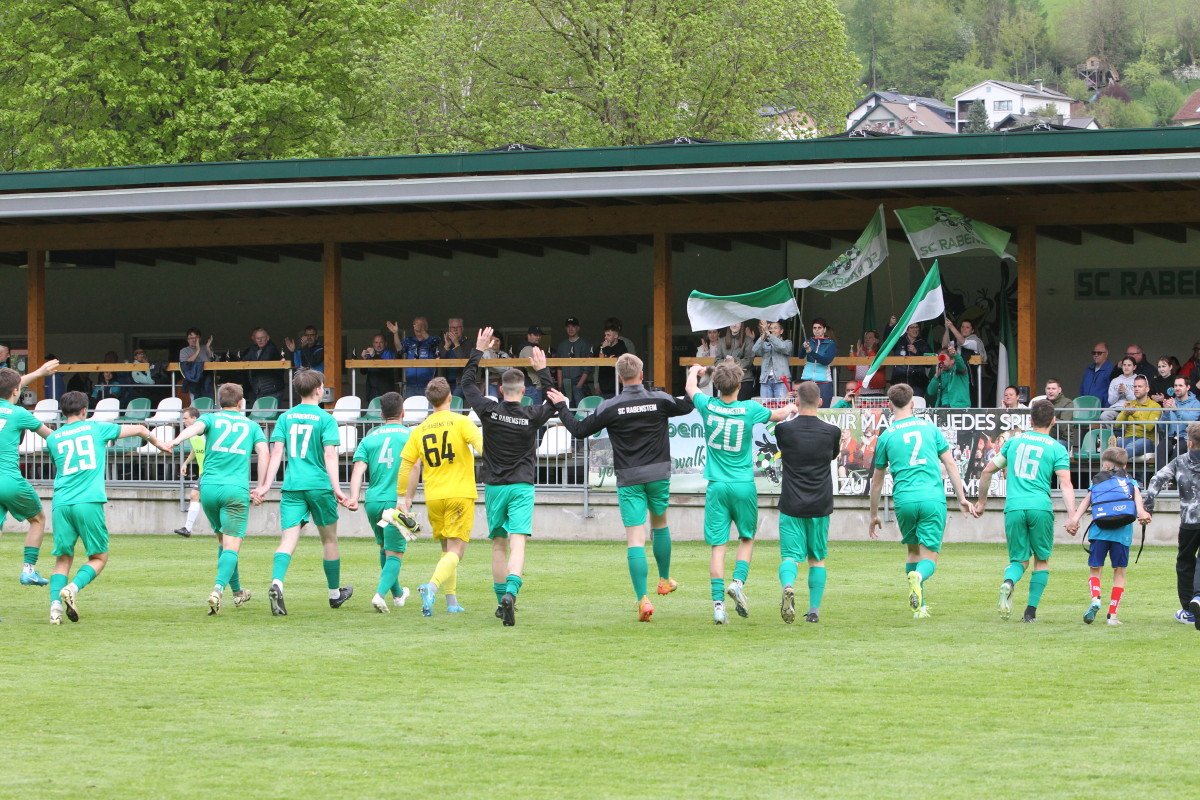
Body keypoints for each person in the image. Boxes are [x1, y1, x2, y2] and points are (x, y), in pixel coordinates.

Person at [549, 353, 694, 622]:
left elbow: (579, 430)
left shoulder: (610, 406)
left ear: (619, 378)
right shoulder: (659, 399)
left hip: (629, 477)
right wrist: (694, 378)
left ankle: (643, 599)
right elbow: (688, 405)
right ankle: (663, 579)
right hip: (658, 473)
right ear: (641, 374)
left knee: (635, 538)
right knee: (660, 523)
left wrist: (561, 407)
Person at [462, 327, 559, 626]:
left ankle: (499, 598)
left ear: (501, 390)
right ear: (522, 391)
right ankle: (512, 594)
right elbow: (553, 399)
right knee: (518, 542)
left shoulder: (489, 410)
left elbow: (466, 385)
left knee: (497, 544)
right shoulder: (531, 415)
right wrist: (542, 371)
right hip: (521, 486)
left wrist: (478, 351)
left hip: (494, 487)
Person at [684, 362, 795, 624]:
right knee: (747, 538)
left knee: (718, 547)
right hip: (743, 484)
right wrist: (791, 406)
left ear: (717, 385)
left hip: (716, 485)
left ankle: (718, 606)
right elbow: (779, 416)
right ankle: (737, 582)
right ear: (739, 385)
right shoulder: (749, 409)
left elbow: (690, 388)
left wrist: (695, 370)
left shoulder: (708, 406)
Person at [47, 391, 169, 623]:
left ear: (63, 412)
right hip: (88, 500)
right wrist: (159, 444)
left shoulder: (53, 438)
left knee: (63, 558)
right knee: (99, 557)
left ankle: (54, 610)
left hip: (61, 502)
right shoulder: (96, 428)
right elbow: (141, 429)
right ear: (85, 411)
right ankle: (72, 588)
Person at [868, 383, 974, 619]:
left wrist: (873, 514)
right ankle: (919, 577)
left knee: (913, 552)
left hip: (904, 500)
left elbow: (876, 481)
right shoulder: (929, 428)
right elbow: (950, 464)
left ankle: (919, 607)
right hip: (931, 498)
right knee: (930, 556)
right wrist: (962, 497)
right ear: (913, 403)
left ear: (889, 405)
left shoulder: (885, 437)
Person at [252, 369, 352, 616]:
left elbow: (277, 453)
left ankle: (277, 582)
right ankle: (334, 594)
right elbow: (330, 455)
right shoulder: (326, 419)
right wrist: (338, 488)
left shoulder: (286, 417)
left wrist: (265, 485)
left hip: (292, 486)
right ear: (319, 388)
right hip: (319, 485)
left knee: (288, 540)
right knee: (329, 539)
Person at [166, 384, 268, 615]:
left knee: (224, 542)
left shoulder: (211, 419)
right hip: (235, 490)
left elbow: (193, 428)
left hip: (209, 489)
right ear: (241, 403)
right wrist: (261, 487)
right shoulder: (252, 426)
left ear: (218, 402)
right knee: (232, 545)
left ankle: (238, 592)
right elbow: (263, 452)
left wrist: (175, 441)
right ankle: (217, 590)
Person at [974, 400, 1076, 623]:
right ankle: (1030, 612)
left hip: (1014, 507)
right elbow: (1066, 484)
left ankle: (1009, 582)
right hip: (1040, 507)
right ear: (1053, 421)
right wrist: (1072, 516)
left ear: (1030, 420)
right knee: (1041, 559)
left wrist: (981, 503)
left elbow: (987, 471)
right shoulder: (1056, 448)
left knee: (1019, 560)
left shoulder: (1014, 442)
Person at [397, 377, 484, 617]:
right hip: (459, 493)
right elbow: (482, 446)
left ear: (430, 401)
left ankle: (452, 601)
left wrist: (403, 497)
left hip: (434, 496)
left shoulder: (421, 429)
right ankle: (431, 586)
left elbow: (407, 465)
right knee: (457, 551)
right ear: (450, 398)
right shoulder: (461, 422)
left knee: (447, 549)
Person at [772, 380, 840, 624]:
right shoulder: (832, 432)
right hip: (820, 504)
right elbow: (833, 455)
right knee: (817, 559)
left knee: (790, 557)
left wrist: (788, 412)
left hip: (792, 502)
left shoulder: (784, 430)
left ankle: (789, 585)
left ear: (797, 401)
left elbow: (779, 437)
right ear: (820, 402)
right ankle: (813, 610)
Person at [1065, 447, 1151, 626]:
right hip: (1122, 535)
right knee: (1119, 572)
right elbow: (1139, 505)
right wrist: (1143, 514)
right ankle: (1112, 615)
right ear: (1125, 465)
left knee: (1095, 569)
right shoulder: (1131, 482)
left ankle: (1095, 598)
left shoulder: (1097, 482)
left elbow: (1087, 501)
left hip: (1099, 532)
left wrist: (1074, 520)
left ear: (1104, 464)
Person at [346, 391, 412, 613]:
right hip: (395, 500)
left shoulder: (370, 437)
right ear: (403, 412)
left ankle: (398, 593)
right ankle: (379, 595)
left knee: (385, 548)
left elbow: (358, 470)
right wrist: (407, 499)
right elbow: (416, 468)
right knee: (395, 553)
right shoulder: (409, 435)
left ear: (382, 413)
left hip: (373, 501)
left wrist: (354, 497)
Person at [0, 361, 59, 586]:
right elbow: (51, 436)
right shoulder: (19, 413)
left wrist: (38, 373)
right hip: (9, 481)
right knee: (37, 519)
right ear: (16, 391)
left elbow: (10, 385)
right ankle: (29, 570)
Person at [1141, 423, 1200, 628]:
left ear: (1189, 442)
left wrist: (1148, 506)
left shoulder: (1180, 461)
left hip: (1189, 521)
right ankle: (1199, 598)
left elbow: (1156, 480)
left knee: (1185, 562)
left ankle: (1188, 610)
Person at [389, 317, 439, 398]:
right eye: (416, 325)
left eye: (421, 325)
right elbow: (399, 349)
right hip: (410, 385)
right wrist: (395, 333)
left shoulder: (433, 340)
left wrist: (421, 331)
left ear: (426, 327)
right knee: (409, 409)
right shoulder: (409, 340)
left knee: (428, 409)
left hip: (428, 385)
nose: (418, 327)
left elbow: (434, 344)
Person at [174, 407, 205, 537]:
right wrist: (186, 463)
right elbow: (194, 450)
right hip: (205, 472)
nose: (183, 421)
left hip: (213, 471)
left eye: (186, 418)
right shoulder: (192, 433)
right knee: (195, 496)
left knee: (197, 496)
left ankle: (188, 528)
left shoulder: (206, 432)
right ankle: (187, 528)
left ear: (194, 418)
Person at [1114, 376, 1161, 459]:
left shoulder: (1155, 406)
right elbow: (1117, 425)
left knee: (1134, 445)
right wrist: (1125, 413)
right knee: (1117, 443)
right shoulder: (1129, 404)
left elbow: (1149, 427)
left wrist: (1134, 413)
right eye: (1135, 386)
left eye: (1140, 386)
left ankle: (1119, 460)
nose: (1136, 389)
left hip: (1146, 440)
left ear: (1147, 389)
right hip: (1128, 438)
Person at [1159, 376, 1200, 463]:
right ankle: (1160, 476)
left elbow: (1191, 421)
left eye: (1180, 385)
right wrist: (1166, 412)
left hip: (1186, 439)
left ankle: (1174, 476)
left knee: (1177, 452)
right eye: (1175, 386)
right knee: (1161, 448)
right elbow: (1162, 427)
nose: (1177, 388)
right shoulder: (1171, 402)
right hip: (1170, 438)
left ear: (1188, 387)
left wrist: (1176, 410)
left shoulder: (1195, 403)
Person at [244, 327, 287, 406]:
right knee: (260, 415)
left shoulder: (271, 348)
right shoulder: (253, 349)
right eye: (257, 338)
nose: (260, 340)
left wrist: (250, 362)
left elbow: (263, 361)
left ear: (267, 338)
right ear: (254, 339)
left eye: (262, 338)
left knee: (269, 415)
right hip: (259, 389)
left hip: (273, 389)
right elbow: (243, 361)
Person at [889, 320, 933, 398]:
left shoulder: (923, 343)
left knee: (916, 407)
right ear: (907, 330)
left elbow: (929, 363)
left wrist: (916, 352)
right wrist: (890, 326)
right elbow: (888, 341)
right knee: (900, 406)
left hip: (917, 384)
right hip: (900, 382)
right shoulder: (899, 341)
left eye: (917, 327)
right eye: (912, 327)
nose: (915, 329)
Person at [800, 317, 837, 408]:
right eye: (814, 328)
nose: (816, 330)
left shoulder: (831, 344)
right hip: (808, 380)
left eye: (819, 328)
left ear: (824, 329)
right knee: (806, 408)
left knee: (823, 409)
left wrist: (811, 352)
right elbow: (800, 356)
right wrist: (803, 347)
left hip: (824, 381)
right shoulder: (809, 341)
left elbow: (826, 361)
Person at [555, 317, 592, 407]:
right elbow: (559, 367)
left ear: (578, 328)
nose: (570, 329)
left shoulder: (585, 344)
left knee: (581, 410)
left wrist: (579, 385)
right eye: (568, 327)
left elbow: (588, 367)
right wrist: (560, 386)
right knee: (567, 409)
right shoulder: (562, 345)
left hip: (578, 381)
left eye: (573, 326)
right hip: (565, 382)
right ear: (565, 329)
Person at [752, 320, 792, 399]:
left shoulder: (787, 343)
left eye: (775, 328)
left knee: (782, 406)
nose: (772, 330)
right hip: (765, 381)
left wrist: (769, 335)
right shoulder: (765, 345)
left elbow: (782, 347)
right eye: (770, 328)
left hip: (781, 381)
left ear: (781, 331)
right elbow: (755, 350)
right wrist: (763, 336)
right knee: (766, 408)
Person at [716, 321, 757, 400]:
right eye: (731, 322)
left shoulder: (748, 340)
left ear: (741, 324)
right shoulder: (721, 341)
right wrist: (725, 362)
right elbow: (717, 361)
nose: (734, 324)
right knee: (727, 408)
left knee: (742, 408)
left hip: (744, 380)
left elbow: (749, 361)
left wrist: (733, 361)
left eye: (737, 322)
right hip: (726, 380)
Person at [928, 341, 970, 408]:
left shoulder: (959, 369)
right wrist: (936, 376)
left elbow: (960, 364)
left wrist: (955, 354)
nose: (941, 361)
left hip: (959, 406)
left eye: (943, 359)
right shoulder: (940, 372)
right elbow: (930, 392)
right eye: (940, 359)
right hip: (943, 406)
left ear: (952, 360)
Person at [592, 323, 629, 399]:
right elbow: (594, 357)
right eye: (605, 335)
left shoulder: (621, 346)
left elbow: (616, 360)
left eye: (608, 335)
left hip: (617, 386)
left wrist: (606, 350)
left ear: (616, 336)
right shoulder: (602, 346)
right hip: (603, 385)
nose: (605, 338)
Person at [359, 333, 397, 402]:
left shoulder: (390, 353)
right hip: (372, 392)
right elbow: (363, 372)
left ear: (385, 343)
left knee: (386, 412)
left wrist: (374, 355)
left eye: (381, 342)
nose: (378, 345)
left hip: (386, 392)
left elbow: (385, 369)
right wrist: (364, 359)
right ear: (373, 344)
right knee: (372, 412)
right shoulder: (370, 355)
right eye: (376, 342)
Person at [180, 327, 215, 400]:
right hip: (193, 380)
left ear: (200, 339)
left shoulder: (205, 348)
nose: (193, 340)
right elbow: (186, 363)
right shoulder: (184, 351)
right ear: (187, 340)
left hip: (207, 380)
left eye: (196, 337)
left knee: (208, 399)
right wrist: (198, 350)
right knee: (195, 401)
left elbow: (213, 361)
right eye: (191, 338)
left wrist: (208, 348)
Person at [440, 317, 468, 396]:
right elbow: (438, 361)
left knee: (453, 403)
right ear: (449, 329)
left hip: (461, 382)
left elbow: (465, 361)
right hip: (445, 383)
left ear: (462, 329)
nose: (455, 330)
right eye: (452, 327)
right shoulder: (444, 343)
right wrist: (446, 346)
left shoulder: (468, 343)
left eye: (458, 327)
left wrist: (456, 344)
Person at [519, 326, 547, 404]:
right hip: (532, 386)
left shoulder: (533, 347)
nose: (538, 337)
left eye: (539, 335)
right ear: (529, 335)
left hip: (532, 386)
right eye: (535, 335)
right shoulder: (528, 348)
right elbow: (535, 365)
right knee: (535, 413)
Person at [853, 330, 886, 396]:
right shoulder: (860, 352)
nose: (867, 340)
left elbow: (877, 366)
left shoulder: (881, 353)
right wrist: (857, 354)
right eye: (865, 338)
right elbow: (849, 367)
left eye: (870, 338)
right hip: (859, 392)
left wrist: (870, 351)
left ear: (876, 341)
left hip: (875, 393)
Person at [1079, 342, 1113, 406]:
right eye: (1094, 353)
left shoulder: (1110, 370)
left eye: (1099, 353)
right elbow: (1082, 389)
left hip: (1101, 408)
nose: (1096, 355)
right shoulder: (1089, 369)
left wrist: (1105, 409)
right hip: (1086, 407)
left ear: (1106, 354)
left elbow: (1112, 393)